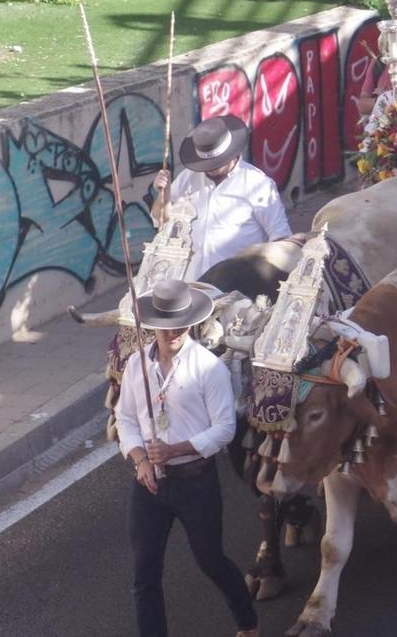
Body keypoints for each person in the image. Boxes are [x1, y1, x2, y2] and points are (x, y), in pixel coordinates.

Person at [118, 279, 259, 637]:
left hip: (195, 482)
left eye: (180, 326)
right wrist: (141, 460)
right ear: (154, 327)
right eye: (166, 327)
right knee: (144, 573)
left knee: (210, 560)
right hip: (150, 485)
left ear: (191, 324)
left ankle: (247, 619)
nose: (174, 333)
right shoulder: (136, 365)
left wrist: (175, 450)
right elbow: (126, 418)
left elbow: (225, 428)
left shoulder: (208, 368)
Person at [152, 116, 290, 279]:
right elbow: (161, 221)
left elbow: (281, 238)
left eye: (216, 163)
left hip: (238, 287)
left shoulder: (258, 184)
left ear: (232, 153)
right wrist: (164, 195)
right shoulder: (187, 178)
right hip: (190, 281)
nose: (210, 169)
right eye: (207, 164)